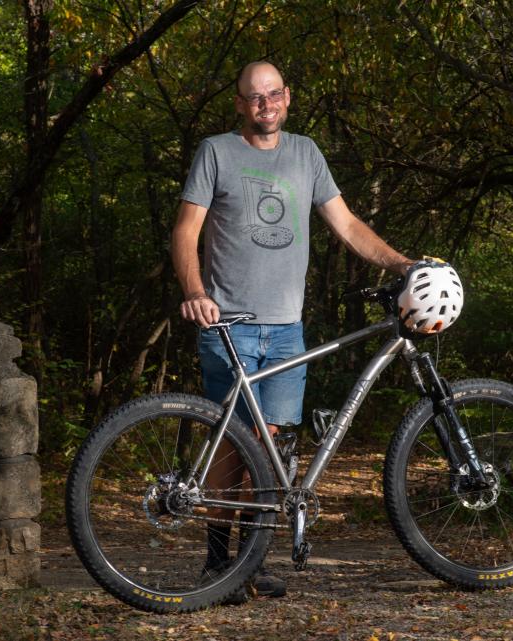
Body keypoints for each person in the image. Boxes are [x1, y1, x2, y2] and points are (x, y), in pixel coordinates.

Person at [171, 61, 414, 601]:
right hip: (227, 323)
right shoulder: (216, 151)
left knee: (269, 448)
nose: (265, 105)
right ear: (239, 103)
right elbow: (186, 230)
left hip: (286, 330)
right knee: (232, 448)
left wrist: (402, 265)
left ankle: (250, 568)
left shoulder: (306, 154)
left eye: (273, 94)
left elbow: (347, 224)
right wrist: (194, 292)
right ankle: (217, 568)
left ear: (288, 96)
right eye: (254, 97)